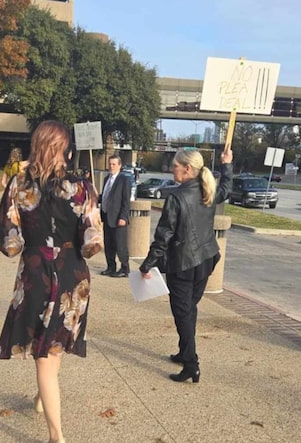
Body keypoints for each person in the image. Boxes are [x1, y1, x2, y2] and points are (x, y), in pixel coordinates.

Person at [0, 121, 103, 443]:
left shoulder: (19, 185)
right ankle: (43, 398)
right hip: (73, 275)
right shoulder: (82, 186)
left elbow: (9, 242)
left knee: (44, 353)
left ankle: (56, 437)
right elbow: (94, 242)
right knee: (52, 346)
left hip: (37, 273)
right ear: (65, 150)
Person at [140, 148, 233, 383]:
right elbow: (226, 190)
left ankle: (191, 364)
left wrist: (147, 265)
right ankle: (184, 352)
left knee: (183, 313)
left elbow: (163, 237)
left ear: (187, 169)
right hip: (206, 260)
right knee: (189, 310)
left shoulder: (177, 197)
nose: (172, 169)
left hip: (183, 265)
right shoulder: (208, 191)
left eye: (175, 166)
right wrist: (227, 165)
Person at [99, 153, 131, 278]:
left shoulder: (124, 180)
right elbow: (106, 196)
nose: (111, 166)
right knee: (109, 244)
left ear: (119, 165)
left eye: (114, 164)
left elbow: (126, 201)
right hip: (107, 216)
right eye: (110, 164)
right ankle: (110, 267)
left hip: (118, 218)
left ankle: (125, 268)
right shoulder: (107, 179)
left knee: (120, 244)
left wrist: (123, 217)